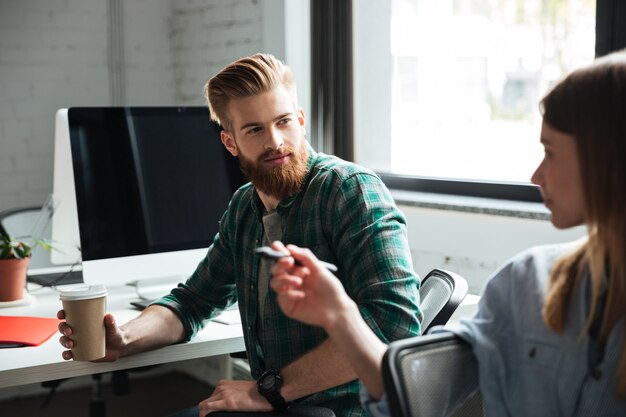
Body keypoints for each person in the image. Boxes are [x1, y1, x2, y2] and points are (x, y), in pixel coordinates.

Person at [57, 53, 421, 417]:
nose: (275, 141)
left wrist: (272, 391)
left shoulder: (349, 190)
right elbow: (193, 302)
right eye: (254, 129)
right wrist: (124, 338)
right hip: (279, 405)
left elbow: (396, 327)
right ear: (230, 143)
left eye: (283, 122)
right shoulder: (244, 208)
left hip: (342, 410)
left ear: (301, 120)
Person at [270, 49, 626, 416]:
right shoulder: (526, 283)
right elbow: (415, 393)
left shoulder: (348, 188)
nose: (536, 176)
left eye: (550, 152)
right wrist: (339, 314)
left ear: (607, 159)